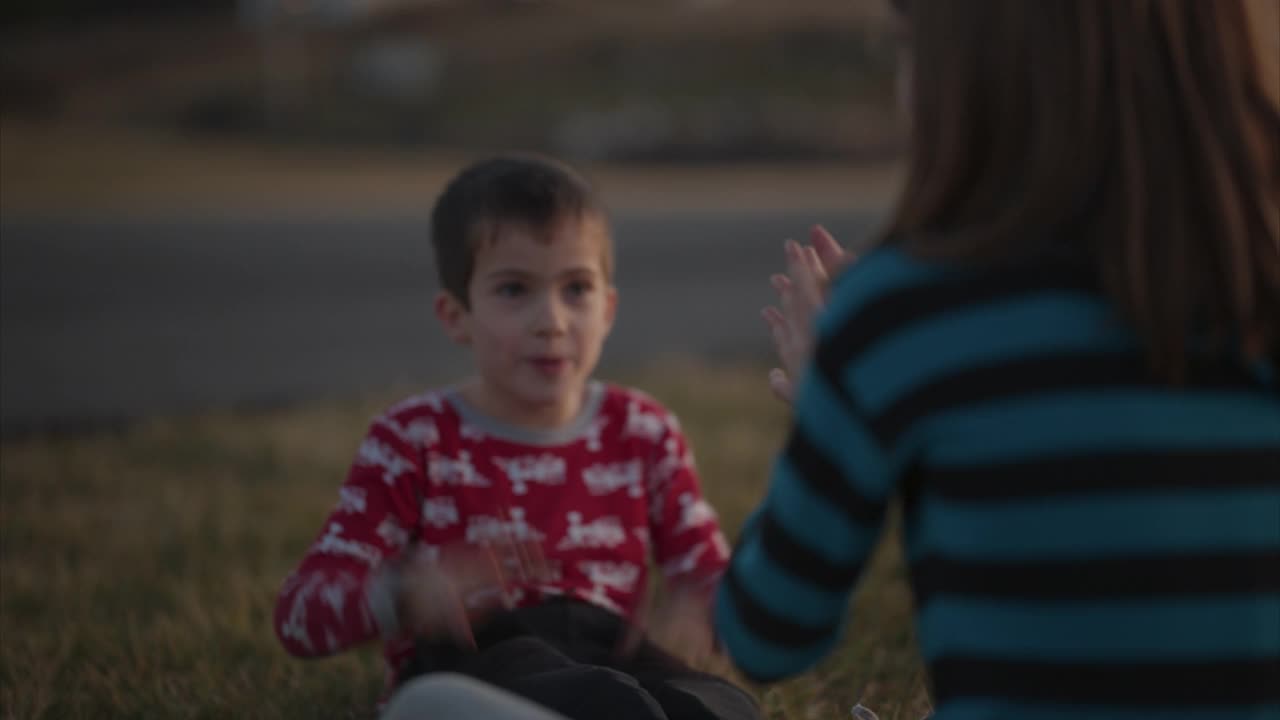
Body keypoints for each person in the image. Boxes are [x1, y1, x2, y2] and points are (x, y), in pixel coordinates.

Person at [715, 1, 1280, 719]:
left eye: (908, 44)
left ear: (962, 75)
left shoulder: (898, 319)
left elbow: (764, 634)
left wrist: (832, 408)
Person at [273, 154, 758, 720]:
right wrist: (400, 594)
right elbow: (298, 616)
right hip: (482, 661)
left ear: (608, 309)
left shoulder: (644, 431)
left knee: (723, 704)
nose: (550, 321)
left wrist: (700, 606)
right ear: (456, 315)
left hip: (615, 660)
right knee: (477, 699)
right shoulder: (411, 440)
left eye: (576, 288)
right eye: (513, 290)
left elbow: (709, 575)